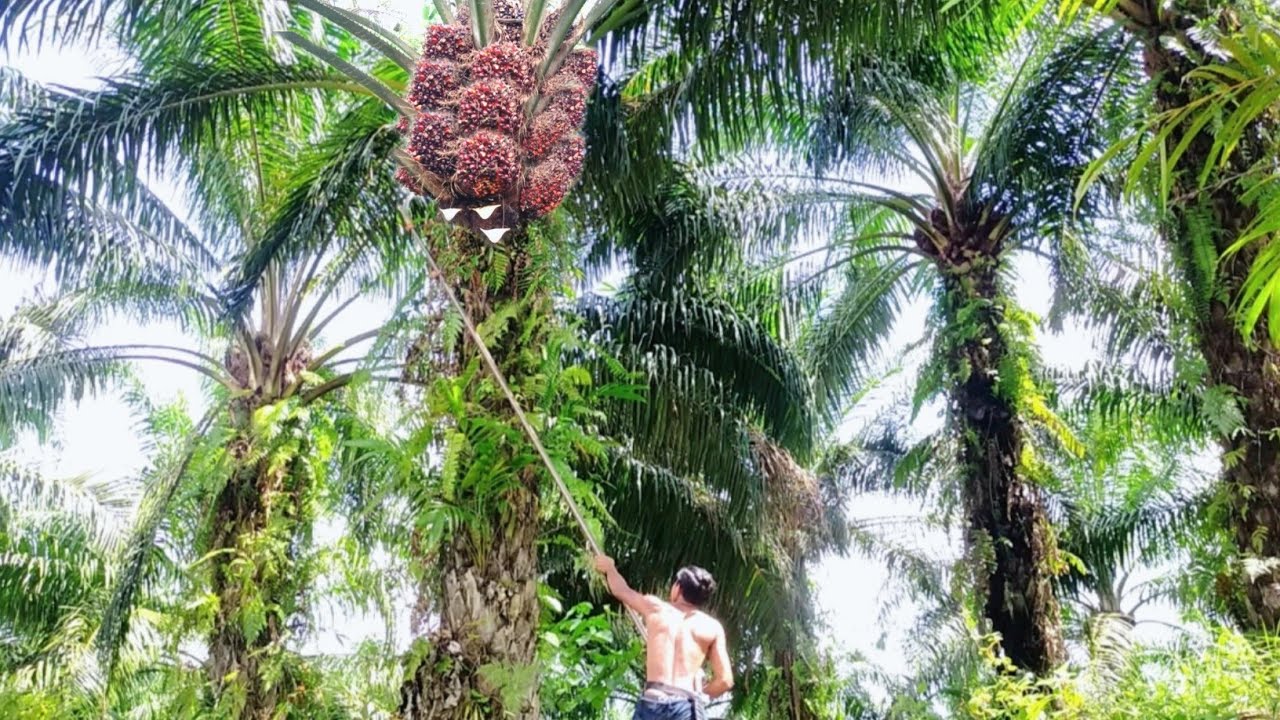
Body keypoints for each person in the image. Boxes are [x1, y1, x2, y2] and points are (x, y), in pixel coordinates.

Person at [593, 555, 733, 720]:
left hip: (653, 701)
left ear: (677, 588)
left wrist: (610, 568)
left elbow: (621, 591)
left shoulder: (656, 608)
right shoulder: (712, 627)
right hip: (686, 706)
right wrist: (702, 691)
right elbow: (725, 681)